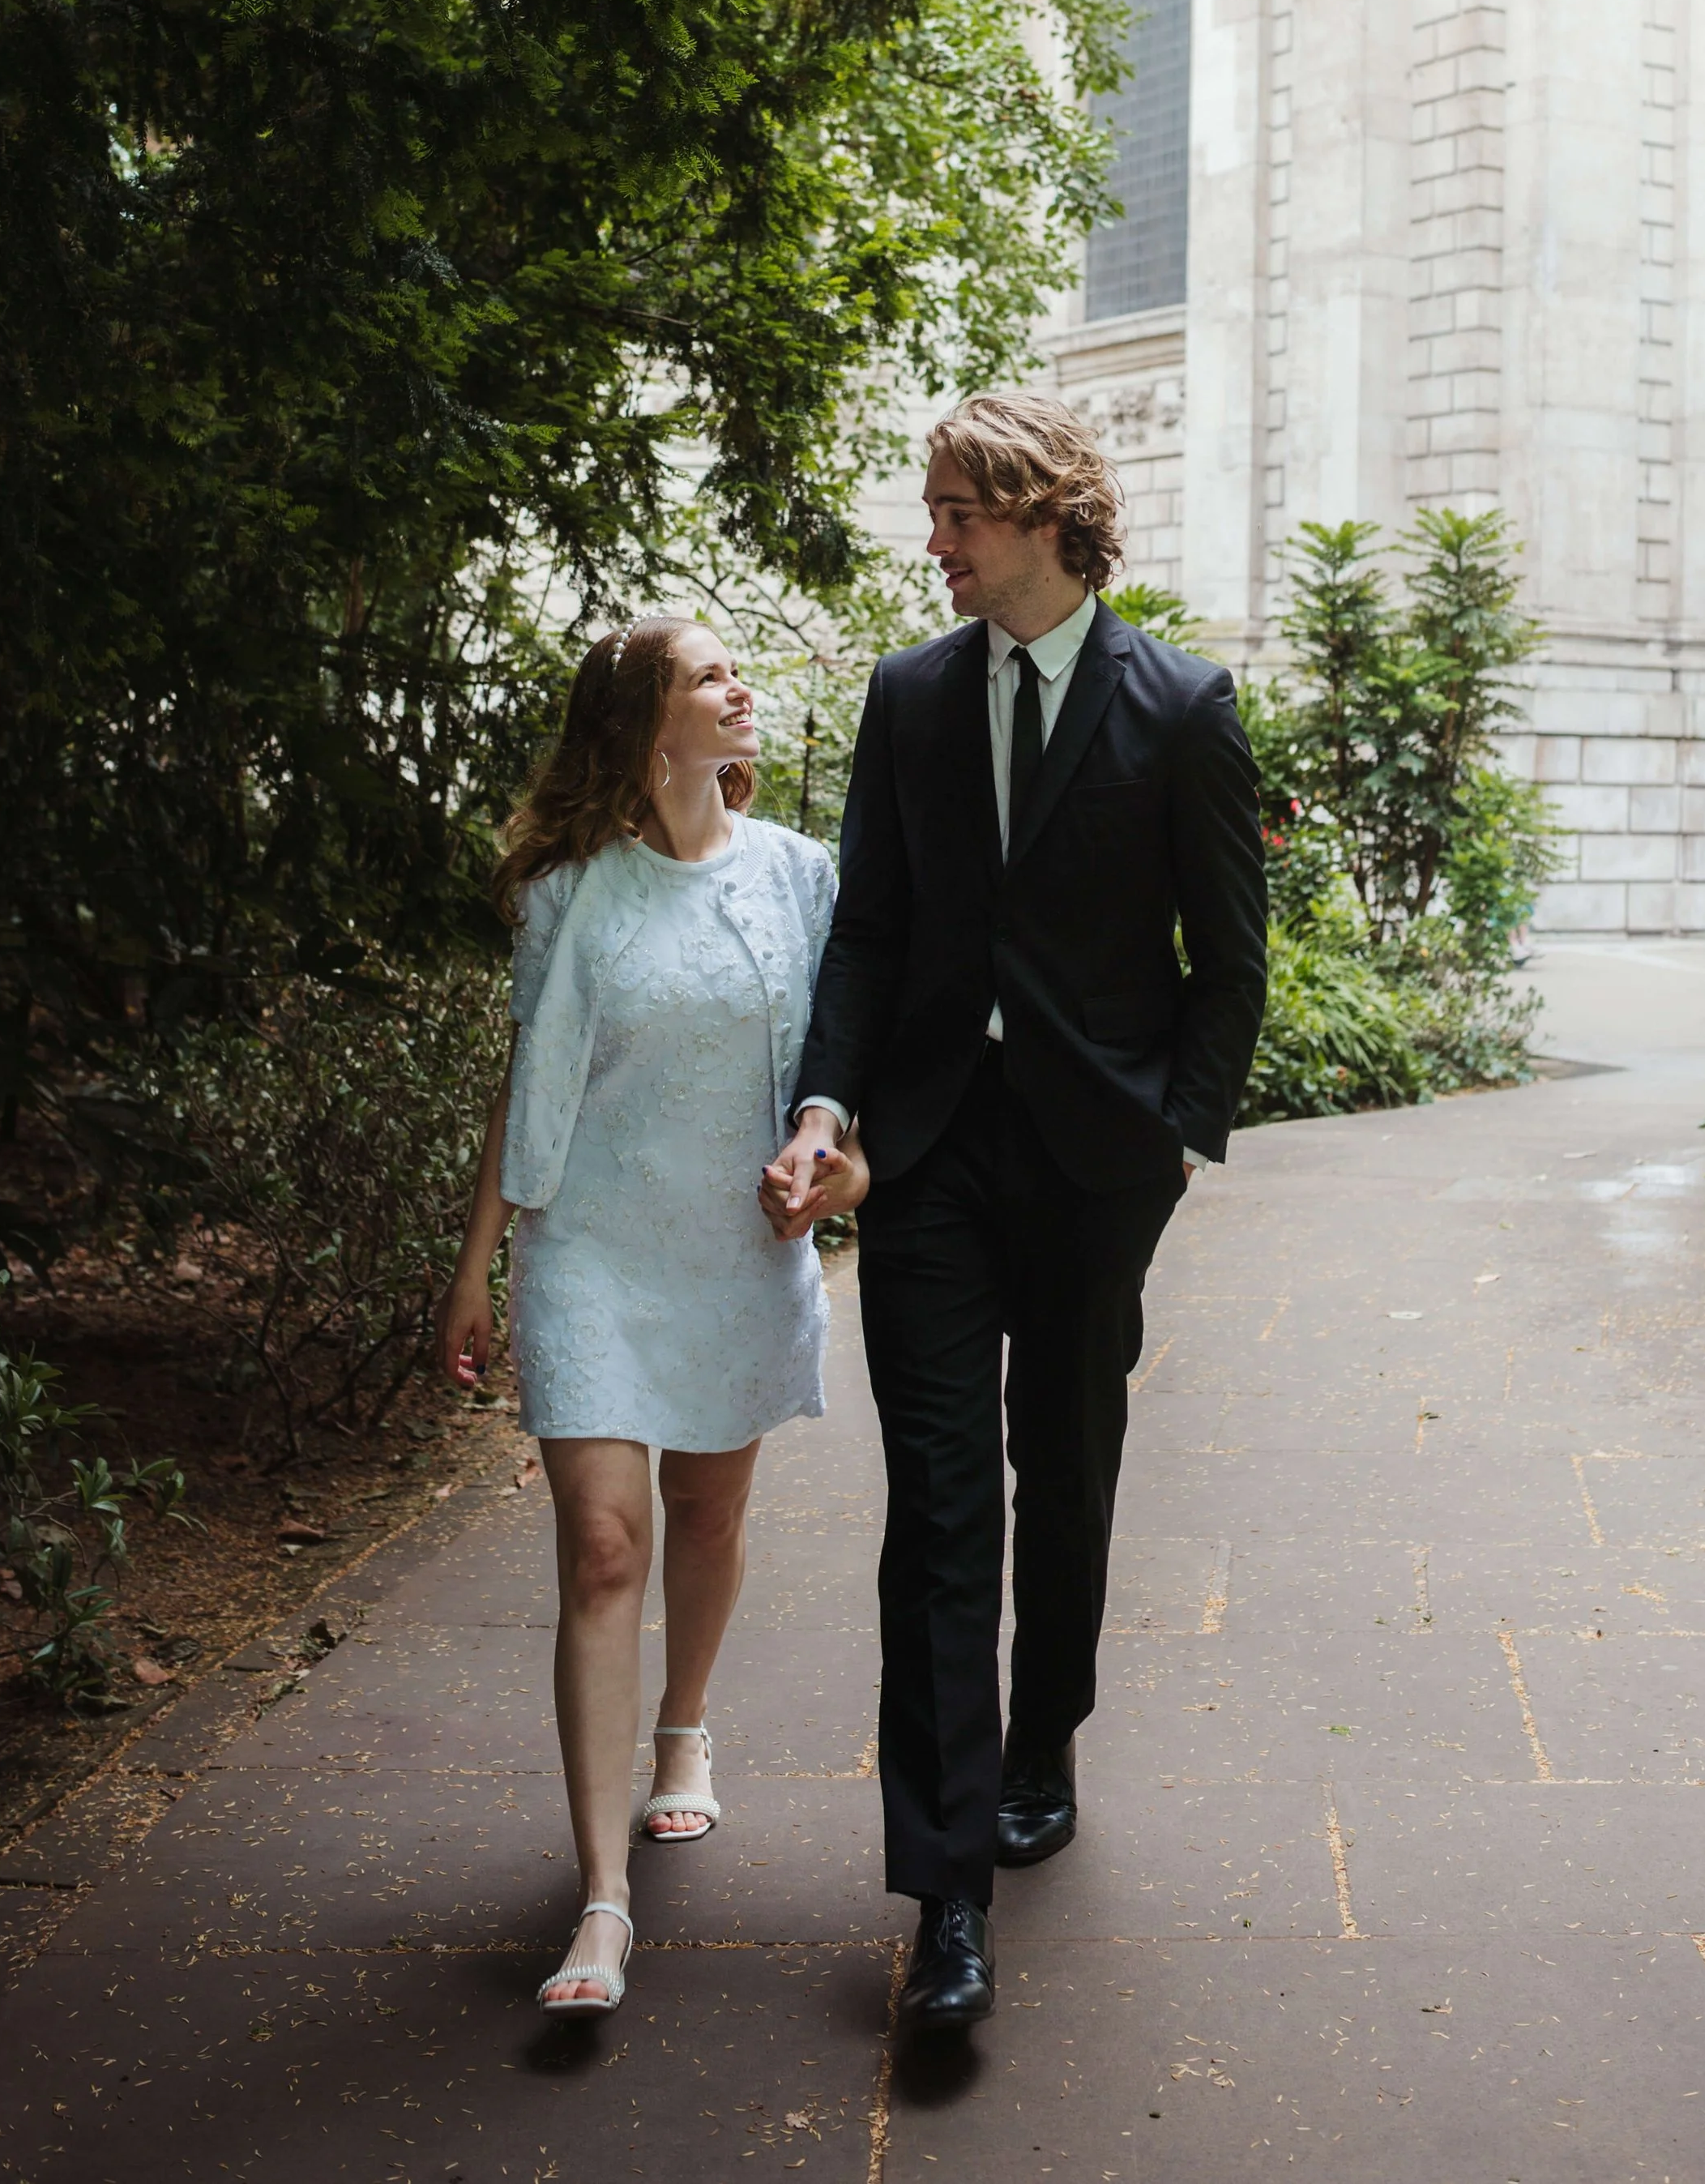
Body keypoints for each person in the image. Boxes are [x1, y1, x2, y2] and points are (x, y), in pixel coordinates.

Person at [763, 393, 1267, 2033]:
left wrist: (1169, 1140)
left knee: (1062, 1468)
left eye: (955, 515)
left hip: (1090, 1166)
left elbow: (1227, 960)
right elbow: (865, 936)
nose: (934, 544)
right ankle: (946, 1894)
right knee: (933, 1510)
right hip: (922, 1156)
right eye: (931, 513)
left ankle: (1046, 1720)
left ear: (1045, 512)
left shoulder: (1178, 704)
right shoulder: (908, 700)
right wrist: (827, 1106)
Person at [436, 614, 867, 2017]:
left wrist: (834, 1159)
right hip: (593, 1253)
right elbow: (534, 1077)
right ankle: (601, 1900)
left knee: (712, 1517)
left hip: (732, 1250)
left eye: (737, 671)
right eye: (709, 677)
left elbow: (838, 1059)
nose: (740, 690)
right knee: (606, 1543)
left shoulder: (801, 875)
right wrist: (476, 1262)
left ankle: (687, 1728)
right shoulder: (571, 890)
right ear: (646, 722)